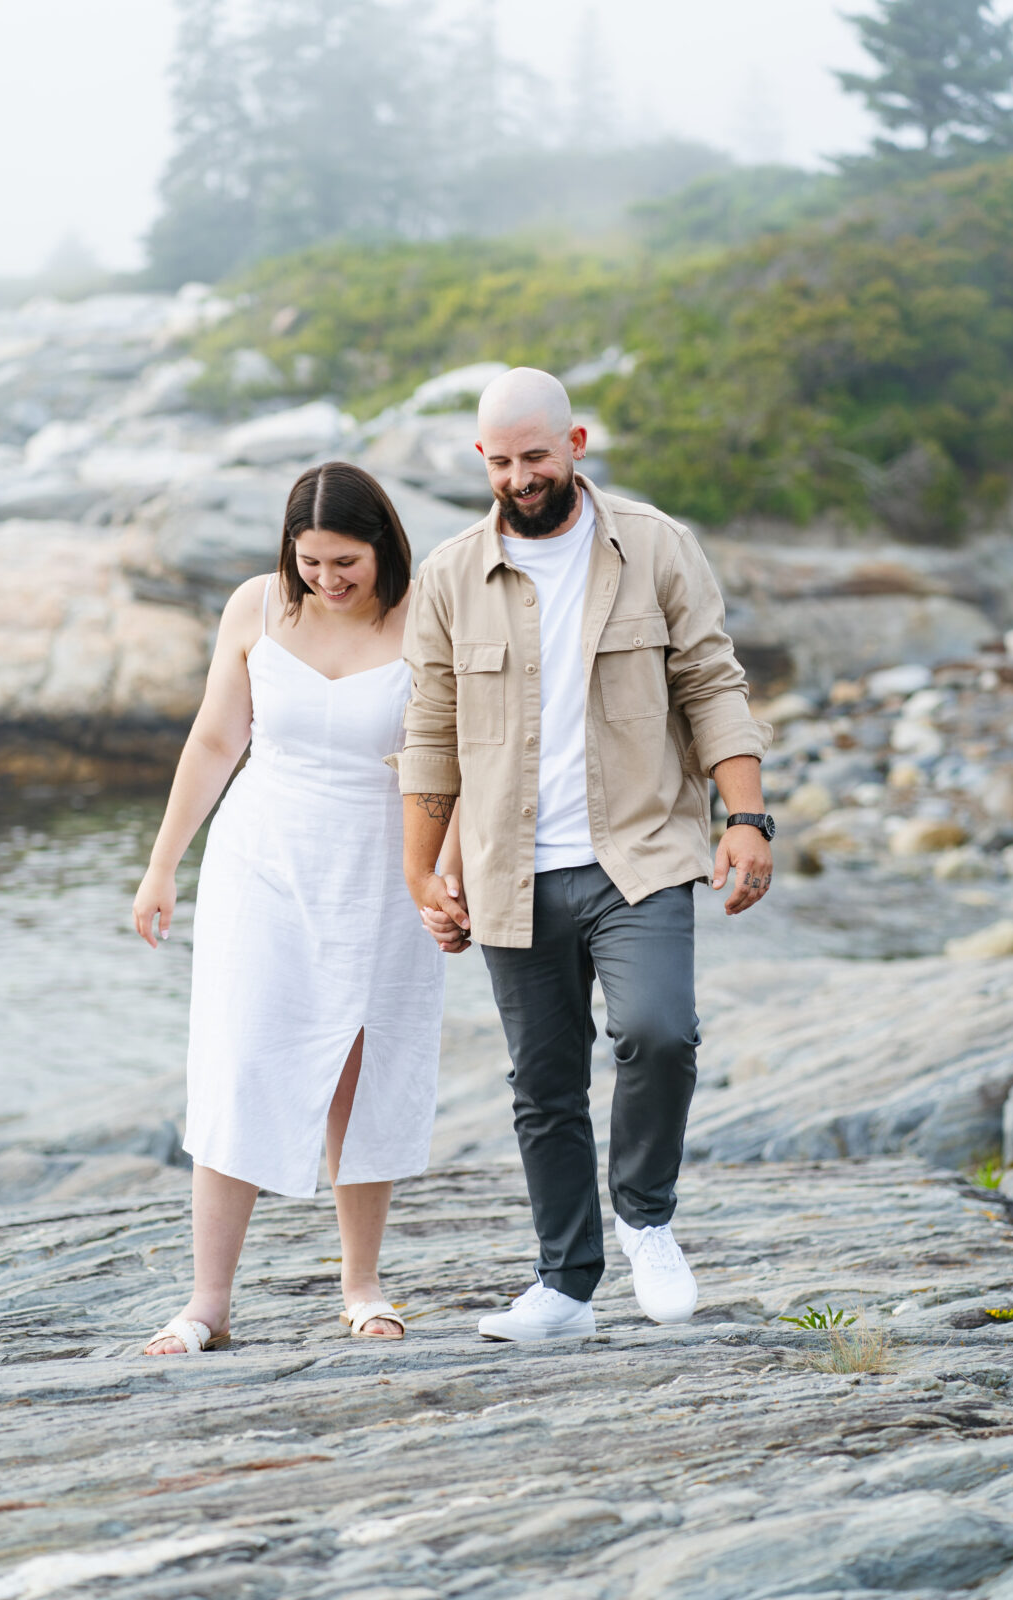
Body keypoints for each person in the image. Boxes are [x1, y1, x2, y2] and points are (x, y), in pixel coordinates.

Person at [401, 368, 774, 1342]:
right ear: (479, 461)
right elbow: (430, 731)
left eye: (535, 455)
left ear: (573, 443)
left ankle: (644, 1214)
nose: (520, 477)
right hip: (505, 864)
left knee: (660, 1031)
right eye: (500, 461)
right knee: (542, 1080)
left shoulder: (654, 547)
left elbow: (711, 684)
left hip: (638, 851)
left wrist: (746, 818)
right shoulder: (446, 576)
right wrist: (421, 870)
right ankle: (563, 1285)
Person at [133, 461, 459, 1354]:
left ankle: (360, 1286)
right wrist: (162, 866)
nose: (326, 579)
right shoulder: (255, 607)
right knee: (239, 1061)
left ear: (383, 544)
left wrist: (445, 875)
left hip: (382, 862)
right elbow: (213, 740)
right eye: (309, 561)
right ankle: (208, 1302)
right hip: (261, 860)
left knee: (362, 1070)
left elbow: (455, 761)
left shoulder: (427, 615)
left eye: (344, 561)